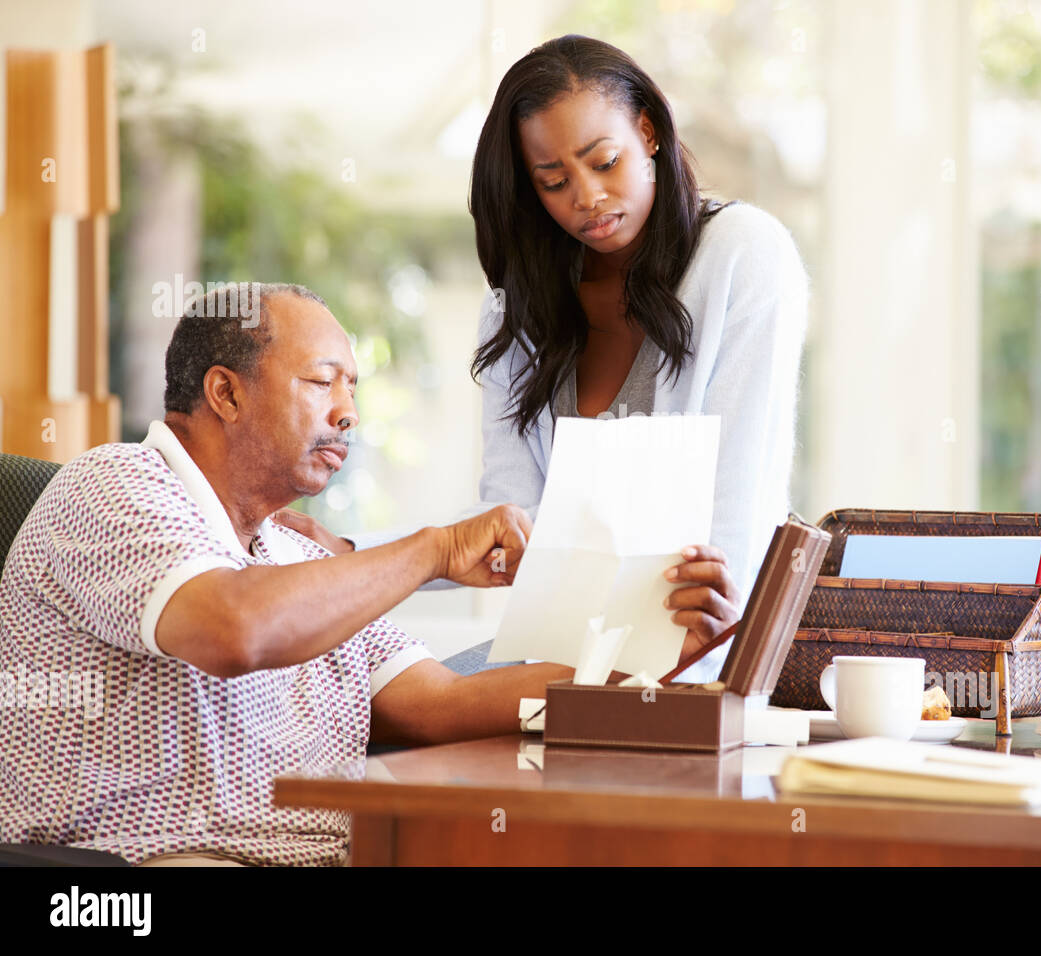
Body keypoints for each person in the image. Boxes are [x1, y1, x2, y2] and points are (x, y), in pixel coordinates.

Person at [0, 283, 736, 866]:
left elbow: (439, 705)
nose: (348, 414)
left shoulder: (298, 558)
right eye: (323, 383)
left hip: (338, 852)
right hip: (145, 866)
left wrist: (649, 658)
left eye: (353, 389)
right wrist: (434, 550)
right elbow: (234, 628)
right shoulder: (115, 487)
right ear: (225, 394)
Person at [284, 35, 809, 680]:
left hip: (701, 652)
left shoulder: (742, 254)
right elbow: (510, 529)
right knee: (376, 717)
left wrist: (708, 630)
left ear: (648, 132)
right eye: (554, 182)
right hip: (559, 657)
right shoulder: (515, 308)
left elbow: (738, 508)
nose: (586, 197)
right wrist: (350, 551)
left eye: (605, 161)